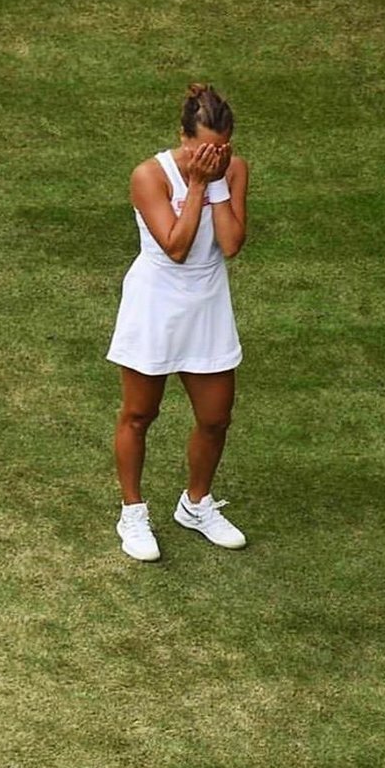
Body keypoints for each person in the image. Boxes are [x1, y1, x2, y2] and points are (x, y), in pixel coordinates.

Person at [106, 83, 248, 562]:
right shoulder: (149, 175)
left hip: (207, 306)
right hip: (155, 305)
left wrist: (220, 182)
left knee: (215, 419)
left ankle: (196, 504)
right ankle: (133, 511)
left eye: (222, 147)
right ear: (182, 137)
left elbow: (229, 245)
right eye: (203, 146)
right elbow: (177, 246)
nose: (213, 154)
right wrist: (197, 184)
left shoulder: (234, 169)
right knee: (139, 414)